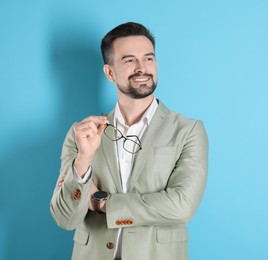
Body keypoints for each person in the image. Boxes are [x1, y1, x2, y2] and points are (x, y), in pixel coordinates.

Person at [50, 22, 208, 260]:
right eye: (129, 60)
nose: (142, 68)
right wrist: (83, 161)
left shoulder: (188, 131)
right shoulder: (82, 134)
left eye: (148, 58)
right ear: (110, 72)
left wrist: (103, 203)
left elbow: (182, 205)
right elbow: (65, 218)